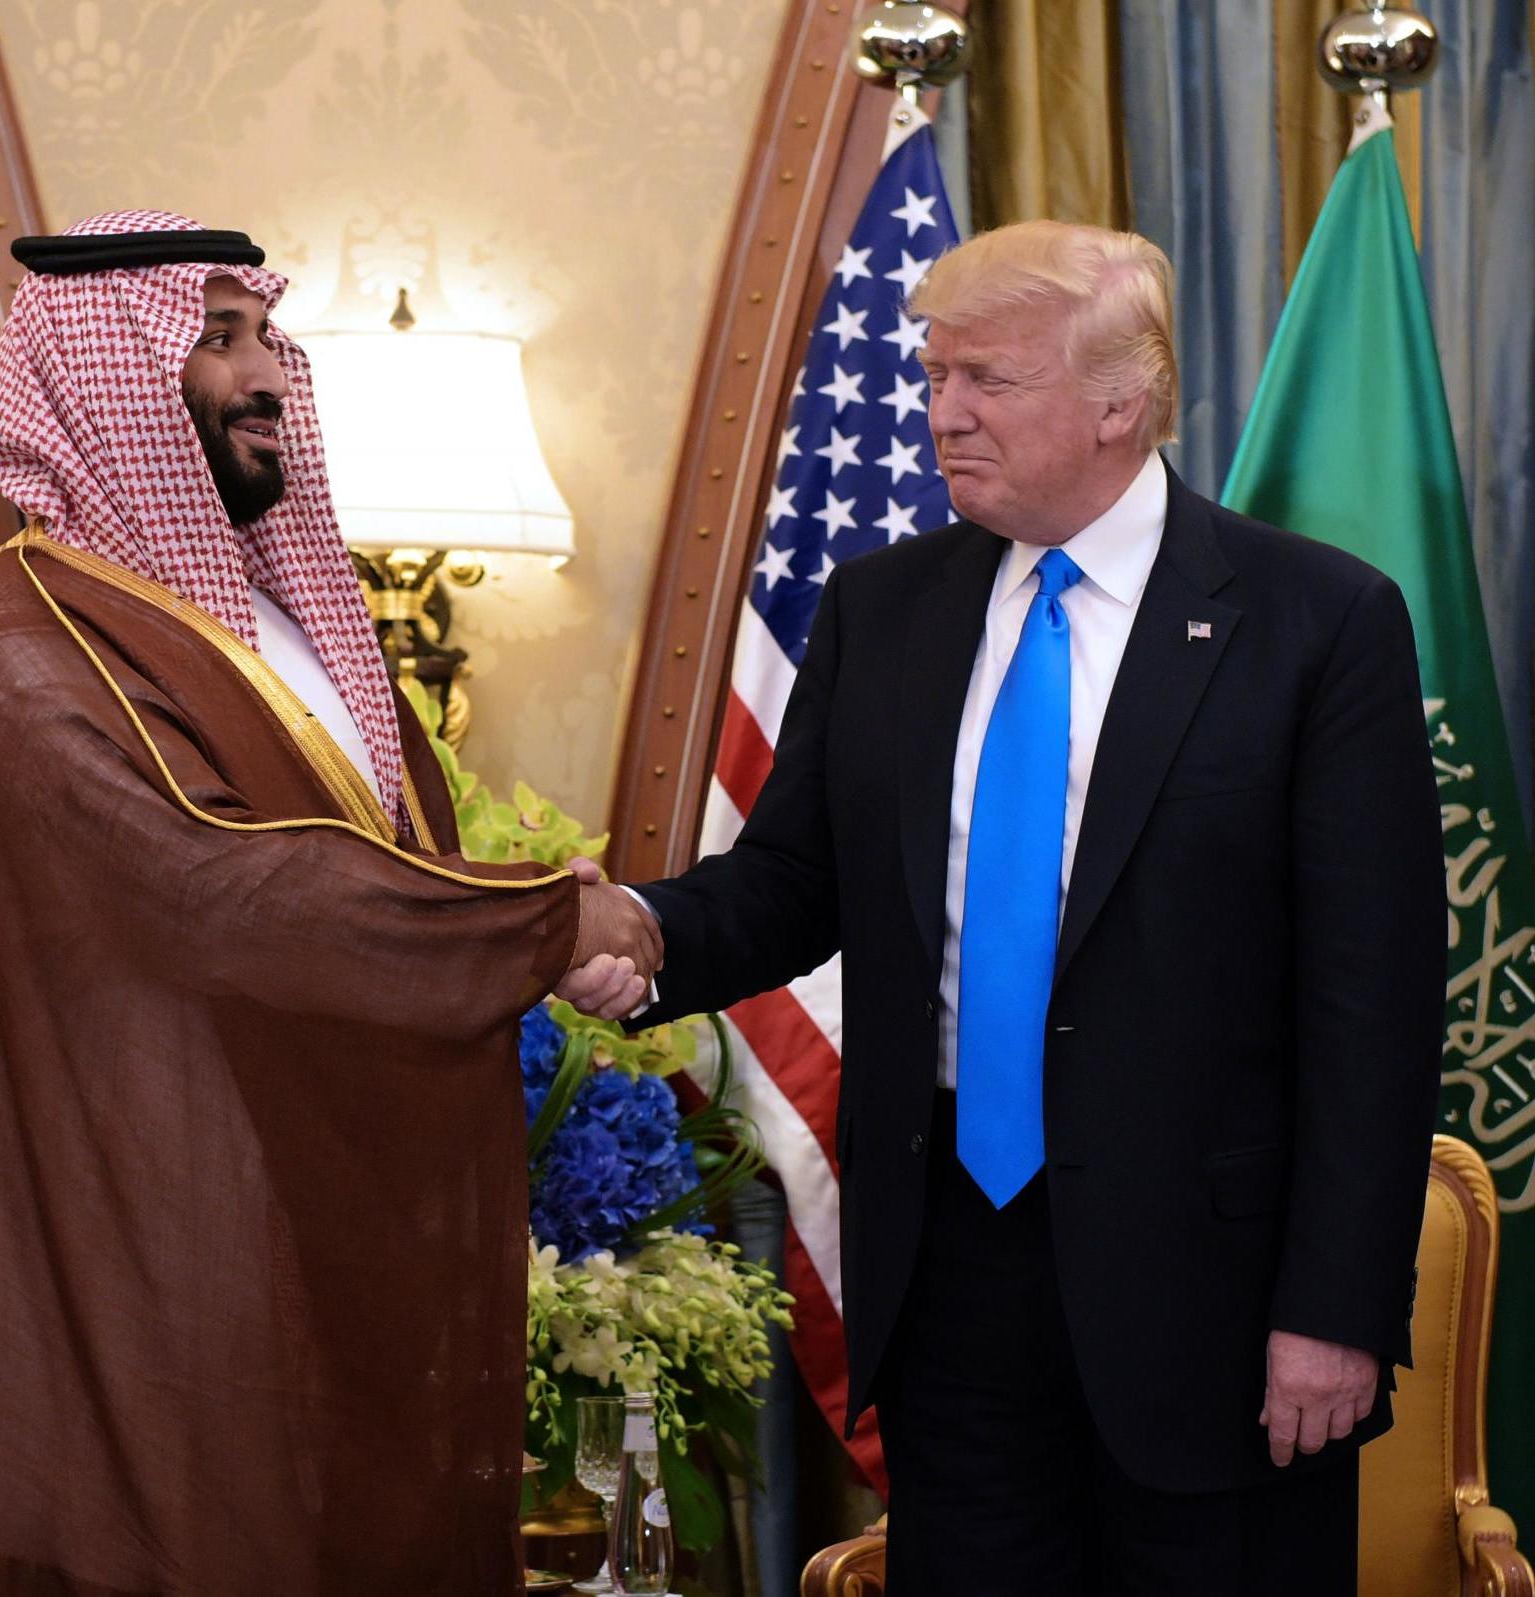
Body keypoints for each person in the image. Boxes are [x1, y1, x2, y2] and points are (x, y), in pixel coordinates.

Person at [571, 221, 1443, 1593]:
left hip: (1212, 1305)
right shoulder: (883, 610)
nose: (941, 414)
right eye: (931, 377)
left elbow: (1373, 1002)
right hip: (952, 1282)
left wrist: (1331, 1311)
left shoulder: (1314, 622)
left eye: (986, 379)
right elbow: (795, 883)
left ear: (1120, 400)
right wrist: (632, 932)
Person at [0, 210, 658, 1596]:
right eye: (215, 339)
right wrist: (545, 923)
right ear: (103, 377)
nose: (267, 370)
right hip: (129, 1254)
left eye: (267, 333)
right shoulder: (5, 643)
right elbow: (211, 889)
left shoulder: (280, 625)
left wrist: (533, 910)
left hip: (325, 1239)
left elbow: (378, 859)